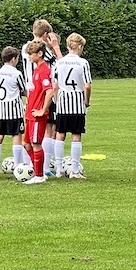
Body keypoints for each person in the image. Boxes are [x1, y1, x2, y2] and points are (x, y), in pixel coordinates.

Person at [52, 33, 93, 179]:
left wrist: (57, 101)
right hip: (77, 103)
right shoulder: (83, 63)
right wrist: (86, 101)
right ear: (80, 46)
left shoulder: (59, 63)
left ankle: (58, 170)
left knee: (60, 134)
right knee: (76, 135)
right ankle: (75, 171)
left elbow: (55, 85)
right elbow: (87, 85)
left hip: (62, 103)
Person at [23, 40, 57, 185]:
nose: (29, 57)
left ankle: (39, 175)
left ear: (40, 53)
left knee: (36, 144)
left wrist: (43, 110)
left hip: (37, 115)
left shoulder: (43, 70)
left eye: (31, 54)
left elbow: (49, 92)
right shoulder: (37, 69)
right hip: (30, 113)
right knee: (26, 144)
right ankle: (37, 169)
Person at [0, 46, 29, 177]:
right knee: (16, 135)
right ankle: (18, 166)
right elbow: (24, 90)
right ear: (14, 59)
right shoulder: (16, 73)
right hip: (14, 110)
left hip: (2, 109)